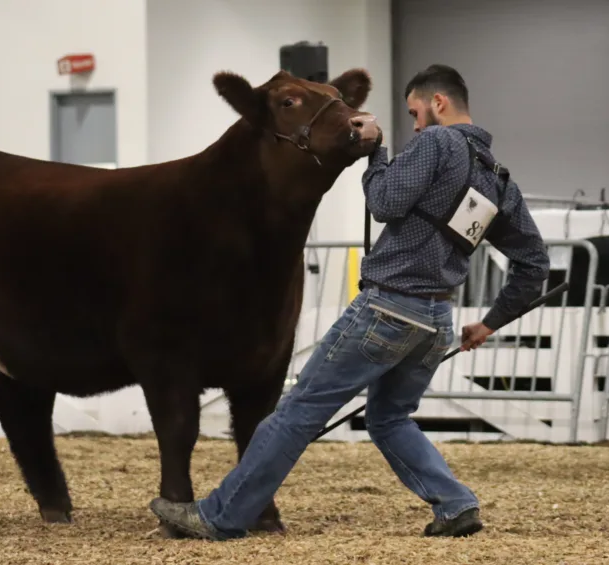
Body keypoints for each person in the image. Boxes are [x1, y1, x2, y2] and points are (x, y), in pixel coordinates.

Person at [148, 64, 551, 541]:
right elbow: (534, 266)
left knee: (297, 411)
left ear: (438, 103)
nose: (416, 125)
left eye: (416, 113)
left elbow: (384, 202)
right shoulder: (498, 178)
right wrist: (488, 323)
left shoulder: (436, 143)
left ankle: (219, 517)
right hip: (437, 320)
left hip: (389, 310)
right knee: (389, 418)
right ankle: (456, 503)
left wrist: (377, 149)